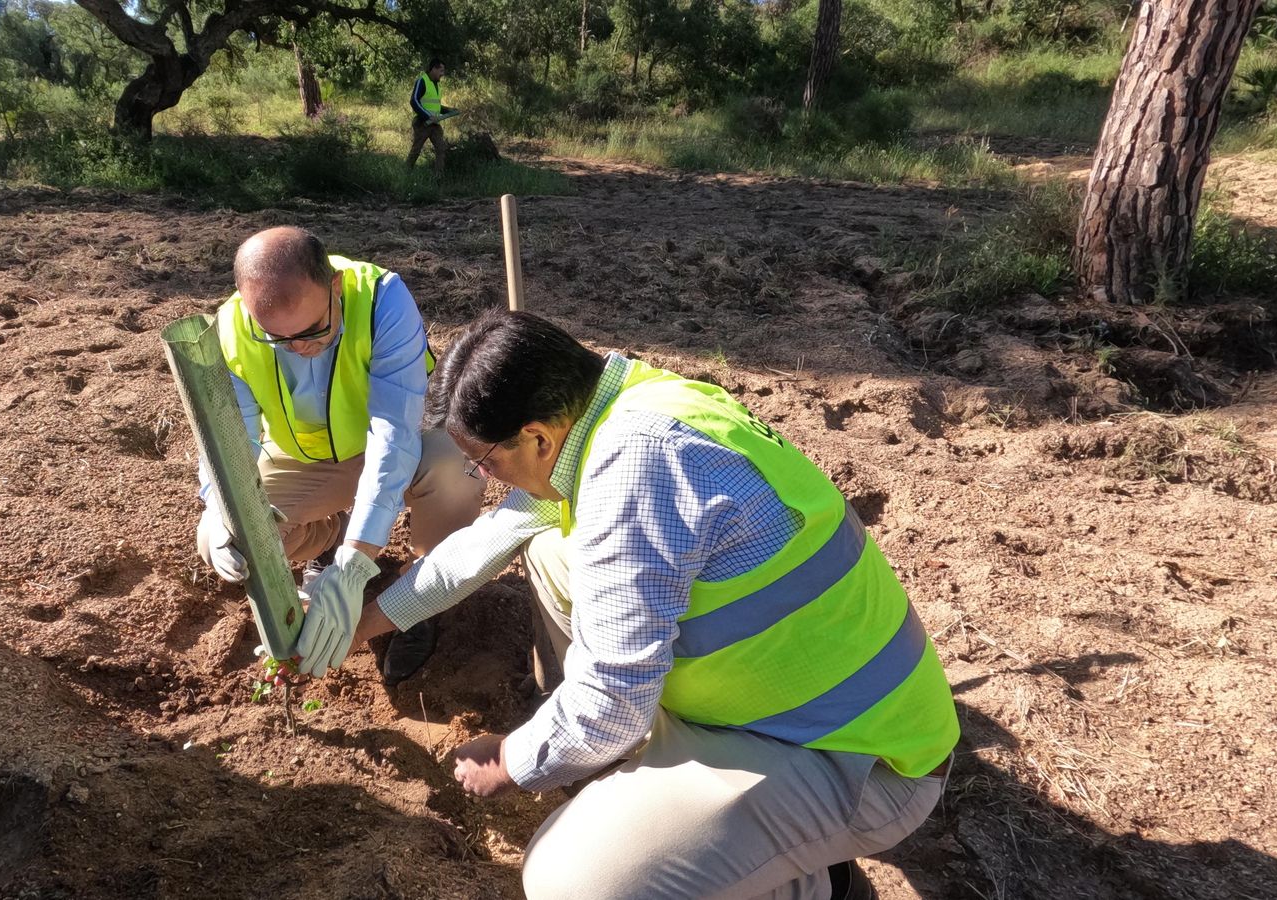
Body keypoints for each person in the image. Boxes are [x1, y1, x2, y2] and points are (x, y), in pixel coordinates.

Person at [341, 310, 960, 899]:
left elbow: (612, 699)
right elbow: (484, 542)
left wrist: (510, 759)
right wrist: (364, 621)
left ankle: (816, 884)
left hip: (858, 761)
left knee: (570, 882)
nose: (491, 478)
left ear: (535, 435)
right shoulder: (622, 404)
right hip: (773, 708)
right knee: (551, 545)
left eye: (485, 461)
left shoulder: (636, 470)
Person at [195, 226, 484, 680]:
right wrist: (218, 505)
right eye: (277, 339)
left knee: (455, 467)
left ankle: (418, 598)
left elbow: (393, 432)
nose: (299, 348)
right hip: (306, 461)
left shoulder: (382, 299)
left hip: (399, 449)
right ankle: (328, 540)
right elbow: (235, 442)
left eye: (312, 331)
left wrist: (358, 562)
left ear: (333, 285)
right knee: (231, 534)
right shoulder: (230, 328)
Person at [406, 58, 454, 177]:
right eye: (441, 70)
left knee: (441, 149)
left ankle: (438, 177)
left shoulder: (437, 85)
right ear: (433, 69)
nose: (442, 74)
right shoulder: (422, 81)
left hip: (435, 125)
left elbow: (435, 106)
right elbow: (414, 101)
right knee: (416, 150)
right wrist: (427, 116)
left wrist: (448, 110)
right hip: (422, 123)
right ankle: (405, 173)